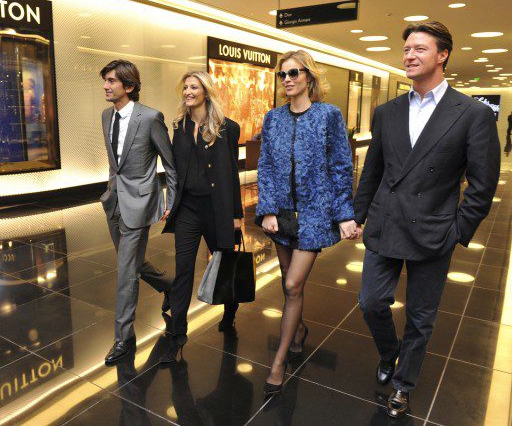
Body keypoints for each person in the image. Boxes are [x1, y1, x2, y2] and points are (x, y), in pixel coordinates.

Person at [353, 22, 500, 418]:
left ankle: (404, 384)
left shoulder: (472, 113)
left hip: (434, 229)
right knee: (370, 302)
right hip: (386, 222)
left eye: (419, 48)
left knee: (420, 317)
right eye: (406, 50)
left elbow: (482, 183)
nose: (409, 55)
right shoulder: (387, 112)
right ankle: (390, 352)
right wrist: (357, 214)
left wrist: (458, 230)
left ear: (443, 55)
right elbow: (374, 171)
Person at [255, 50, 358, 394]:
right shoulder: (273, 118)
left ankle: (278, 363)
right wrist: (268, 210)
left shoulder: (328, 115)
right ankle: (298, 330)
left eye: (294, 73)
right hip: (282, 214)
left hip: (315, 214)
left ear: (309, 77)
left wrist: (344, 214)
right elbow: (266, 166)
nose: (287, 79)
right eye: (282, 74)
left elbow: (341, 167)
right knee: (289, 282)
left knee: (292, 285)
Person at [160, 71, 244, 363]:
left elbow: (232, 172)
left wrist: (236, 214)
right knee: (183, 269)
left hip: (217, 208)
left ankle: (230, 310)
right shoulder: (179, 126)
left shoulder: (227, 128)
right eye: (185, 87)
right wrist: (170, 202)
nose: (188, 91)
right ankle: (178, 334)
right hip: (188, 208)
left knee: (224, 264)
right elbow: (176, 170)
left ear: (206, 92)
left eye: (194, 87)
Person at [99, 59, 178, 365]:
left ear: (129, 86)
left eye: (112, 81)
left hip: (140, 203)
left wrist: (170, 201)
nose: (106, 86)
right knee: (131, 262)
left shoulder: (150, 118)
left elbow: (170, 164)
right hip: (114, 201)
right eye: (105, 80)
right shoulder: (106, 115)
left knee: (126, 272)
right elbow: (115, 164)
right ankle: (170, 285)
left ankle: (123, 337)